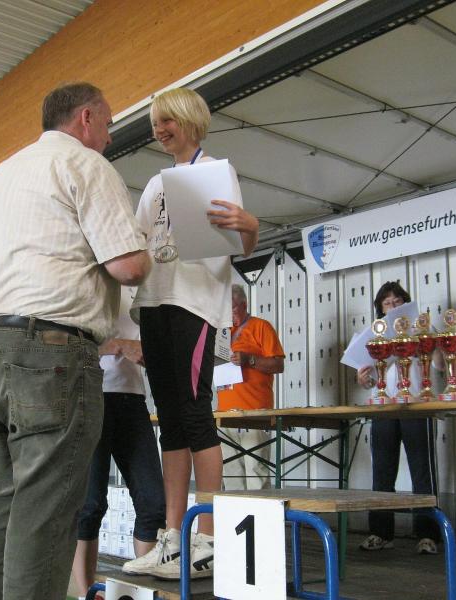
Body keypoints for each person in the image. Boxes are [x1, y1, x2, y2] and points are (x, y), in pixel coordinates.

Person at [0, 82, 150, 600]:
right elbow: (129, 267)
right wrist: (149, 247)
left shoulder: (2, 173)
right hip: (52, 349)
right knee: (46, 501)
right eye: (108, 124)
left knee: (6, 492)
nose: (109, 137)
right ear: (86, 118)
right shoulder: (86, 165)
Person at [123, 87, 259, 580]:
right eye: (155, 123)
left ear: (189, 120)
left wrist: (251, 225)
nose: (159, 130)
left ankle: (210, 538)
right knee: (172, 422)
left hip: (195, 305)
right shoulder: (154, 184)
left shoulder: (217, 172)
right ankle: (173, 538)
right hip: (154, 304)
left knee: (196, 414)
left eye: (167, 121)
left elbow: (241, 242)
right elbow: (138, 243)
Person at [71, 287, 165, 599]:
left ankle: (145, 591)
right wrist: (119, 345)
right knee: (90, 505)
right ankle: (86, 594)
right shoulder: (88, 283)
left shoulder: (140, 291)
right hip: (90, 396)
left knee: (153, 504)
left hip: (133, 400)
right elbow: (70, 342)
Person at [355, 281, 441, 555]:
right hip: (384, 409)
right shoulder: (374, 337)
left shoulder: (421, 328)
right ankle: (381, 533)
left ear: (406, 303)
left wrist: (431, 342)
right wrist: (363, 379)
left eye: (397, 301)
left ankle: (428, 535)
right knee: (382, 472)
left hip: (416, 406)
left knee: (422, 472)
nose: (392, 307)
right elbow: (370, 381)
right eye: (387, 303)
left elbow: (440, 364)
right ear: (380, 309)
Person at [217, 284, 284, 490]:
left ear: (244, 305)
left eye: (232, 308)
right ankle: (234, 513)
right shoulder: (221, 333)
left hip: (255, 413)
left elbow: (278, 365)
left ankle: (260, 511)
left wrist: (250, 360)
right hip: (225, 414)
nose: (228, 314)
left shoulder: (261, 327)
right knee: (231, 475)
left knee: (256, 472)